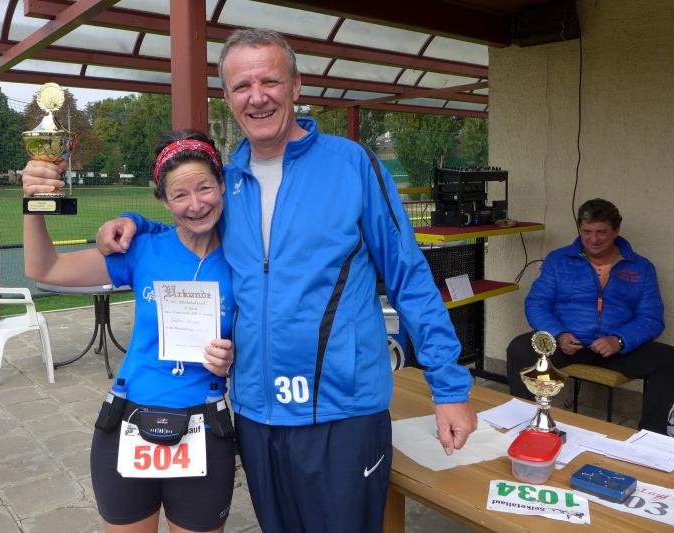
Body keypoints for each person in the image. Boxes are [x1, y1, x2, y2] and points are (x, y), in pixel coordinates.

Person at [87, 28, 475, 533]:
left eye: (269, 81)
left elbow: (409, 276)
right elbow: (184, 226)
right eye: (242, 86)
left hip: (343, 411)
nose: (257, 96)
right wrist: (133, 221)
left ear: (295, 86)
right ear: (228, 98)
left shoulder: (352, 165)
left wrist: (448, 386)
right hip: (258, 413)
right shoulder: (228, 182)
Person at [21, 131, 237, 533]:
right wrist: (33, 204)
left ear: (222, 185)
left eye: (205, 188)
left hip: (205, 425)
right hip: (129, 420)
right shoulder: (144, 249)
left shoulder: (243, 256)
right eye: (180, 195)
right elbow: (45, 269)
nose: (195, 204)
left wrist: (234, 357)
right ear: (164, 200)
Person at [507, 198, 674, 436]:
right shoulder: (558, 260)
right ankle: (526, 424)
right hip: (567, 344)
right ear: (579, 229)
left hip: (616, 348)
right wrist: (559, 334)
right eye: (587, 232)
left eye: (601, 232)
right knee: (519, 348)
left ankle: (652, 437)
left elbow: (652, 318)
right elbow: (537, 304)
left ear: (616, 230)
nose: (593, 239)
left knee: (669, 360)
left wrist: (620, 340)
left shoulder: (641, 267)